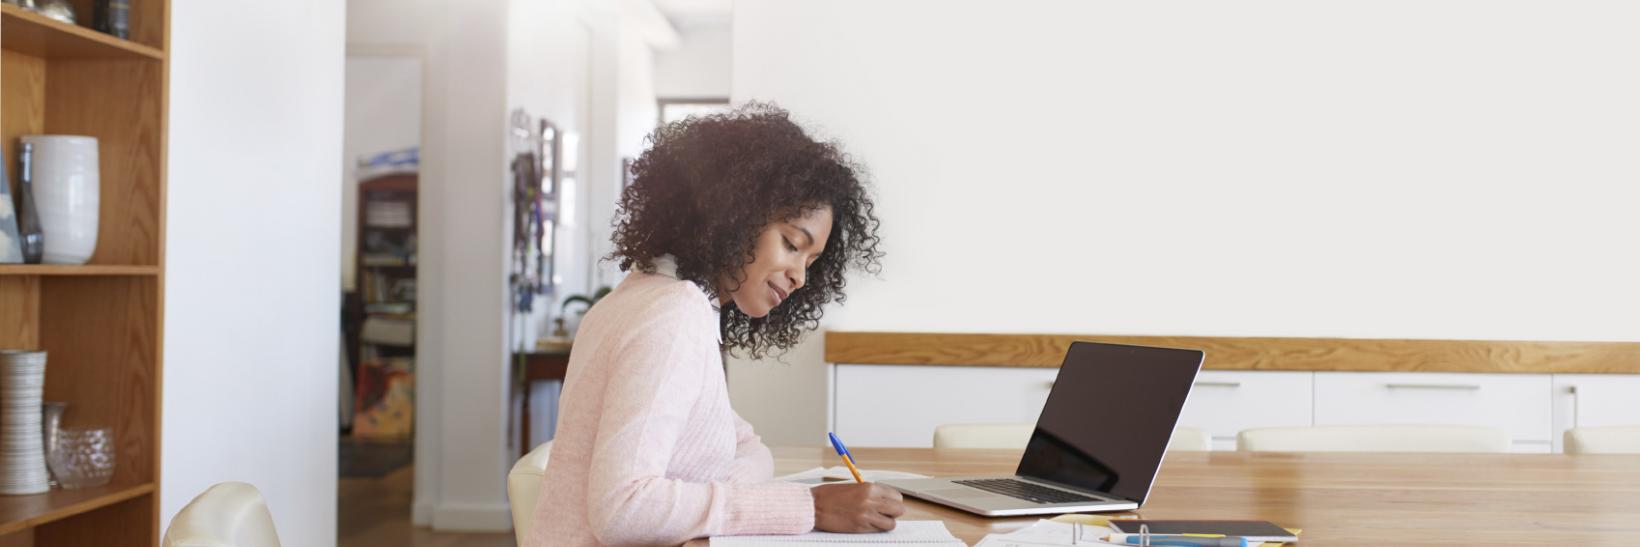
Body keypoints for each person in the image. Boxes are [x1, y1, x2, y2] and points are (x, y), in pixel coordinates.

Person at [526, 103, 896, 546]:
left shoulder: (648, 299)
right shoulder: (672, 315)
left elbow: (751, 449)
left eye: (812, 262)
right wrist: (809, 507)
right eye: (792, 244)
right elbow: (623, 509)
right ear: (734, 214)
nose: (801, 276)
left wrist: (711, 494)